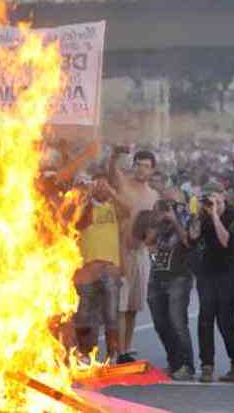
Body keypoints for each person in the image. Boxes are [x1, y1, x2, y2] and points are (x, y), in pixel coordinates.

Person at [189, 182, 234, 383]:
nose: (210, 201)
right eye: (207, 197)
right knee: (205, 320)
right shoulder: (204, 215)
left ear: (223, 196)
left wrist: (215, 215)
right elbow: (193, 237)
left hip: (230, 273)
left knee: (225, 322)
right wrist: (198, 213)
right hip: (208, 273)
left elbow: (226, 242)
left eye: (213, 196)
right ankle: (206, 366)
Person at [136, 199, 196, 380]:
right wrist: (155, 223)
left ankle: (187, 365)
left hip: (178, 278)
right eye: (158, 211)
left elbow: (187, 242)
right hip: (157, 279)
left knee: (178, 323)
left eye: (164, 211)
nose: (160, 214)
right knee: (161, 324)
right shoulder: (158, 227)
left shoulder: (185, 221)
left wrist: (174, 220)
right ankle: (175, 362)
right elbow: (147, 242)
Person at [108, 147, 159, 362]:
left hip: (141, 253)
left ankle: (127, 347)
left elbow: (154, 227)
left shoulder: (154, 195)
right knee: (120, 303)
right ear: (133, 165)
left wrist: (150, 240)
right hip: (120, 250)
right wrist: (114, 156)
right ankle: (119, 351)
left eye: (146, 166)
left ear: (152, 170)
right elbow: (111, 172)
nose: (141, 169)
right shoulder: (123, 183)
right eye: (138, 164)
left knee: (133, 306)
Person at [74, 173, 126, 363]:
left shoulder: (113, 206)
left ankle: (112, 355)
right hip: (88, 270)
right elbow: (80, 223)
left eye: (106, 185)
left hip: (111, 269)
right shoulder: (84, 206)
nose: (103, 189)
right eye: (99, 185)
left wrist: (112, 191)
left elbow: (129, 210)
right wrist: (87, 196)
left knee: (111, 315)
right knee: (86, 315)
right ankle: (87, 353)